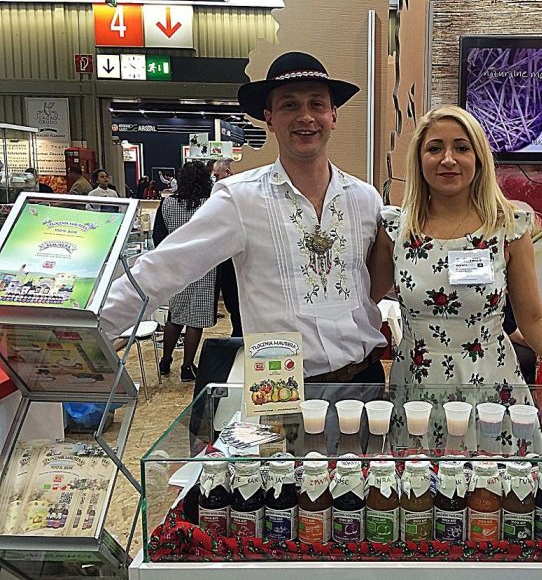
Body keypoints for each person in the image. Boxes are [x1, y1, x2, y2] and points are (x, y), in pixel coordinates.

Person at [99, 52, 386, 399]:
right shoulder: (239, 199)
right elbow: (163, 269)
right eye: (289, 105)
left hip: (365, 383)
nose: (306, 117)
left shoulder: (365, 200)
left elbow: (379, 282)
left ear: (333, 116)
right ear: (269, 118)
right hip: (284, 389)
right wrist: (84, 329)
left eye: (317, 104)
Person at [368, 105, 542, 445]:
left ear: (479, 158)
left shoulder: (508, 228)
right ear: (419, 159)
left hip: (491, 386)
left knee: (493, 477)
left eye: (461, 147)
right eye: (435, 148)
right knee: (420, 478)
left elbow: (533, 319)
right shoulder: (396, 229)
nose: (448, 159)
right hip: (417, 388)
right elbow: (364, 300)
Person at [153, 161, 217, 382]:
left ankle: (165, 360)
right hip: (204, 265)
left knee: (176, 314)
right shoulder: (210, 204)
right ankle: (187, 367)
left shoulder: (168, 203)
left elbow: (158, 237)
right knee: (195, 319)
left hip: (176, 265)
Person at [210, 156, 242, 337]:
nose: (214, 180)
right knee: (235, 309)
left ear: (227, 173)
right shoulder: (220, 198)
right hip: (228, 263)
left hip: (237, 264)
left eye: (216, 175)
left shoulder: (236, 197)